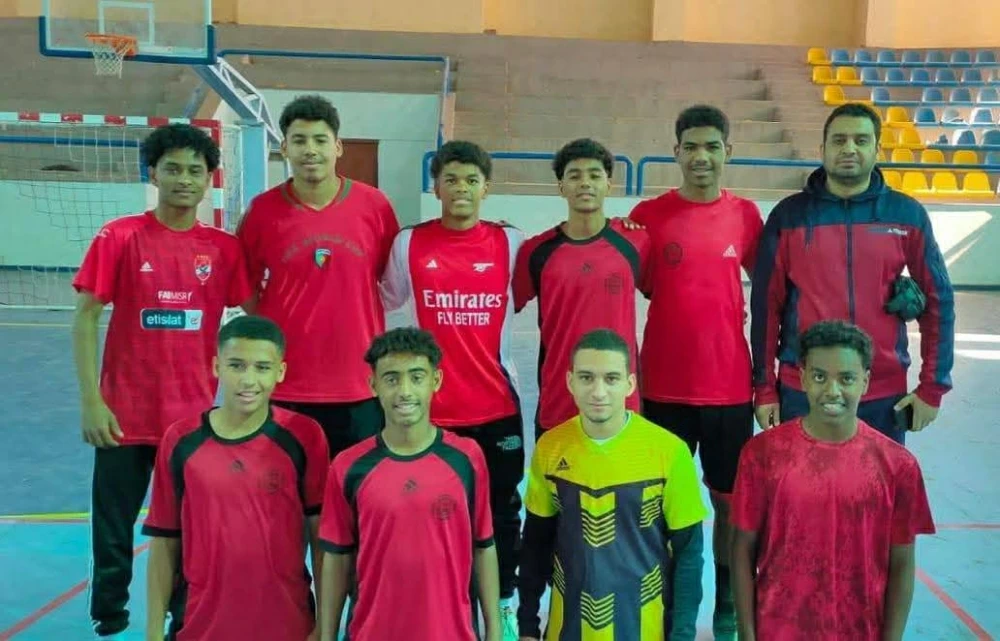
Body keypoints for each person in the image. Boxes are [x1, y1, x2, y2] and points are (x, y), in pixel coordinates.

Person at [71, 123, 251, 640]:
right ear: (153, 173)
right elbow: (85, 317)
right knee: (113, 524)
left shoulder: (223, 248)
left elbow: (252, 316)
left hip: (191, 419)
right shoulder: (120, 236)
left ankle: (183, 617)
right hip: (122, 414)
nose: (184, 179)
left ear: (209, 179)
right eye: (173, 169)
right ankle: (109, 614)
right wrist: (92, 401)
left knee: (188, 529)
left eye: (195, 171)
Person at [627, 104, 762, 640]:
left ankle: (727, 605)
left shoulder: (746, 216)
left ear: (728, 151)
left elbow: (778, 288)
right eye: (691, 147)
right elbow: (634, 281)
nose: (701, 156)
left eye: (712, 146)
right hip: (664, 388)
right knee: (663, 507)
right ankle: (670, 607)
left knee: (728, 506)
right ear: (676, 152)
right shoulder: (648, 215)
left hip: (730, 389)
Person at [380, 140, 523, 639]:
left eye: (471, 180)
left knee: (501, 513)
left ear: (486, 188)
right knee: (434, 515)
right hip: (432, 412)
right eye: (451, 179)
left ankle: (502, 606)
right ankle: (446, 608)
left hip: (496, 407)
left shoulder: (511, 243)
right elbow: (384, 300)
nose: (461, 188)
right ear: (436, 187)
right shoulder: (408, 244)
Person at [751, 102, 955, 443]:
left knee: (876, 480)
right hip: (804, 389)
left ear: (877, 149)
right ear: (823, 149)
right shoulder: (789, 216)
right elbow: (766, 308)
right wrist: (765, 388)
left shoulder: (906, 214)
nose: (849, 148)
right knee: (801, 479)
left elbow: (939, 301)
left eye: (861, 140)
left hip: (881, 393)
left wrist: (932, 388)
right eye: (839, 140)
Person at [731, 320, 936, 640]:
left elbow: (902, 565)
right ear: (802, 378)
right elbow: (742, 549)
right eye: (819, 376)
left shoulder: (899, 467)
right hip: (778, 630)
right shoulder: (762, 454)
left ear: (865, 381)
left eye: (846, 378)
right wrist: (747, 634)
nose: (832, 390)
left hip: (860, 631)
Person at [142, 314, 328, 641]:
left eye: (262, 367)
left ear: (280, 371)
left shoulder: (304, 436)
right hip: (199, 626)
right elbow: (164, 540)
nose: (248, 380)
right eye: (237, 366)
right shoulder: (181, 440)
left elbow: (321, 540)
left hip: (288, 625)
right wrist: (153, 631)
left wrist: (324, 626)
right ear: (217, 366)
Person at [236, 94, 400, 459]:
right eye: (299, 140)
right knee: (284, 488)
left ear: (337, 147)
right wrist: (278, 322)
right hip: (285, 382)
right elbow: (243, 284)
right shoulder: (262, 211)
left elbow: (389, 278)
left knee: (353, 486)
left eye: (320, 140)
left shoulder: (374, 206)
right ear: (284, 148)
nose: (310, 150)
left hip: (359, 383)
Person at [518, 329, 707, 641]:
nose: (598, 391)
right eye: (586, 378)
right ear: (570, 382)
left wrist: (682, 635)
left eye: (611, 378)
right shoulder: (550, 448)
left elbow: (689, 554)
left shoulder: (669, 452)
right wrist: (527, 627)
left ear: (629, 384)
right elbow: (535, 544)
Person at [318, 327, 501, 641]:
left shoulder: (467, 459)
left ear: (435, 381)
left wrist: (494, 632)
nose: (404, 391)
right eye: (391, 379)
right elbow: (337, 558)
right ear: (373, 385)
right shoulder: (348, 467)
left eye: (416, 377)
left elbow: (483, 546)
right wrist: (326, 636)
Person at [513, 138, 651, 437]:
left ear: (608, 185)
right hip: (558, 402)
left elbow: (665, 293)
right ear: (561, 186)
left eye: (594, 175)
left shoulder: (636, 242)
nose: (585, 183)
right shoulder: (536, 252)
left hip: (621, 403)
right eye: (574, 176)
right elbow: (499, 309)